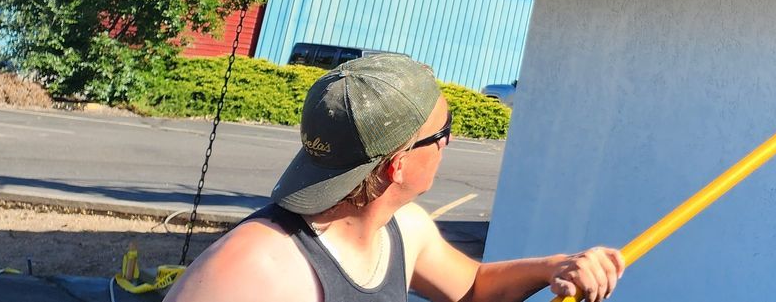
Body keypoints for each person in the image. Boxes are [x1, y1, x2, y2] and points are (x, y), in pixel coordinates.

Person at [167, 53, 621, 302]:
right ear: (395, 165)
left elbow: (475, 288)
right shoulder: (253, 270)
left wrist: (555, 268)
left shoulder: (404, 228)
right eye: (441, 133)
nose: (449, 144)